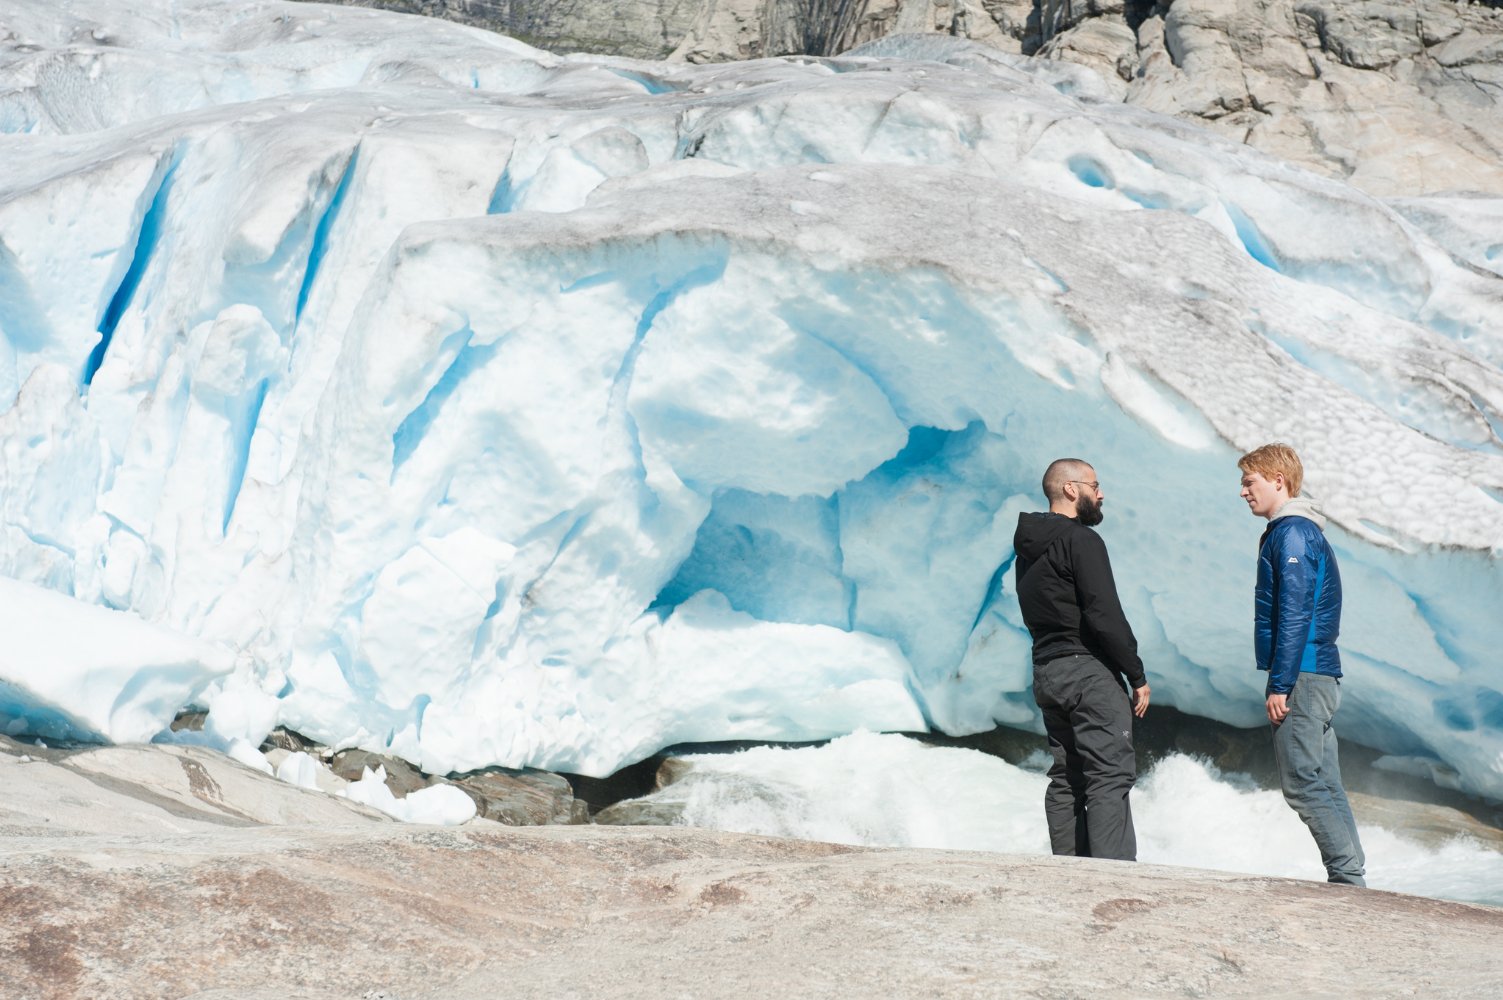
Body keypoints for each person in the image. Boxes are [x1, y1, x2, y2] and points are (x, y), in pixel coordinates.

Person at [1238, 443, 1366, 886]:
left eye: (1249, 481)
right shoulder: (1299, 531)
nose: (1243, 492)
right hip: (1319, 673)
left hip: (1303, 676)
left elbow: (1294, 612)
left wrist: (1281, 683)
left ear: (1279, 480)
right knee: (1324, 781)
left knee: (1302, 785)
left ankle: (1348, 880)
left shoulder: (1292, 533)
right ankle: (1352, 877)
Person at [1013, 458, 1150, 861]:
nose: (1101, 493)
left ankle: (1070, 873)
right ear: (1072, 489)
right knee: (1110, 775)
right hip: (1088, 671)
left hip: (1047, 670)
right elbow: (1103, 612)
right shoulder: (1081, 540)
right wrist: (1136, 674)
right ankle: (1112, 878)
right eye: (1095, 484)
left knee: (1067, 776)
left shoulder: (1029, 547)